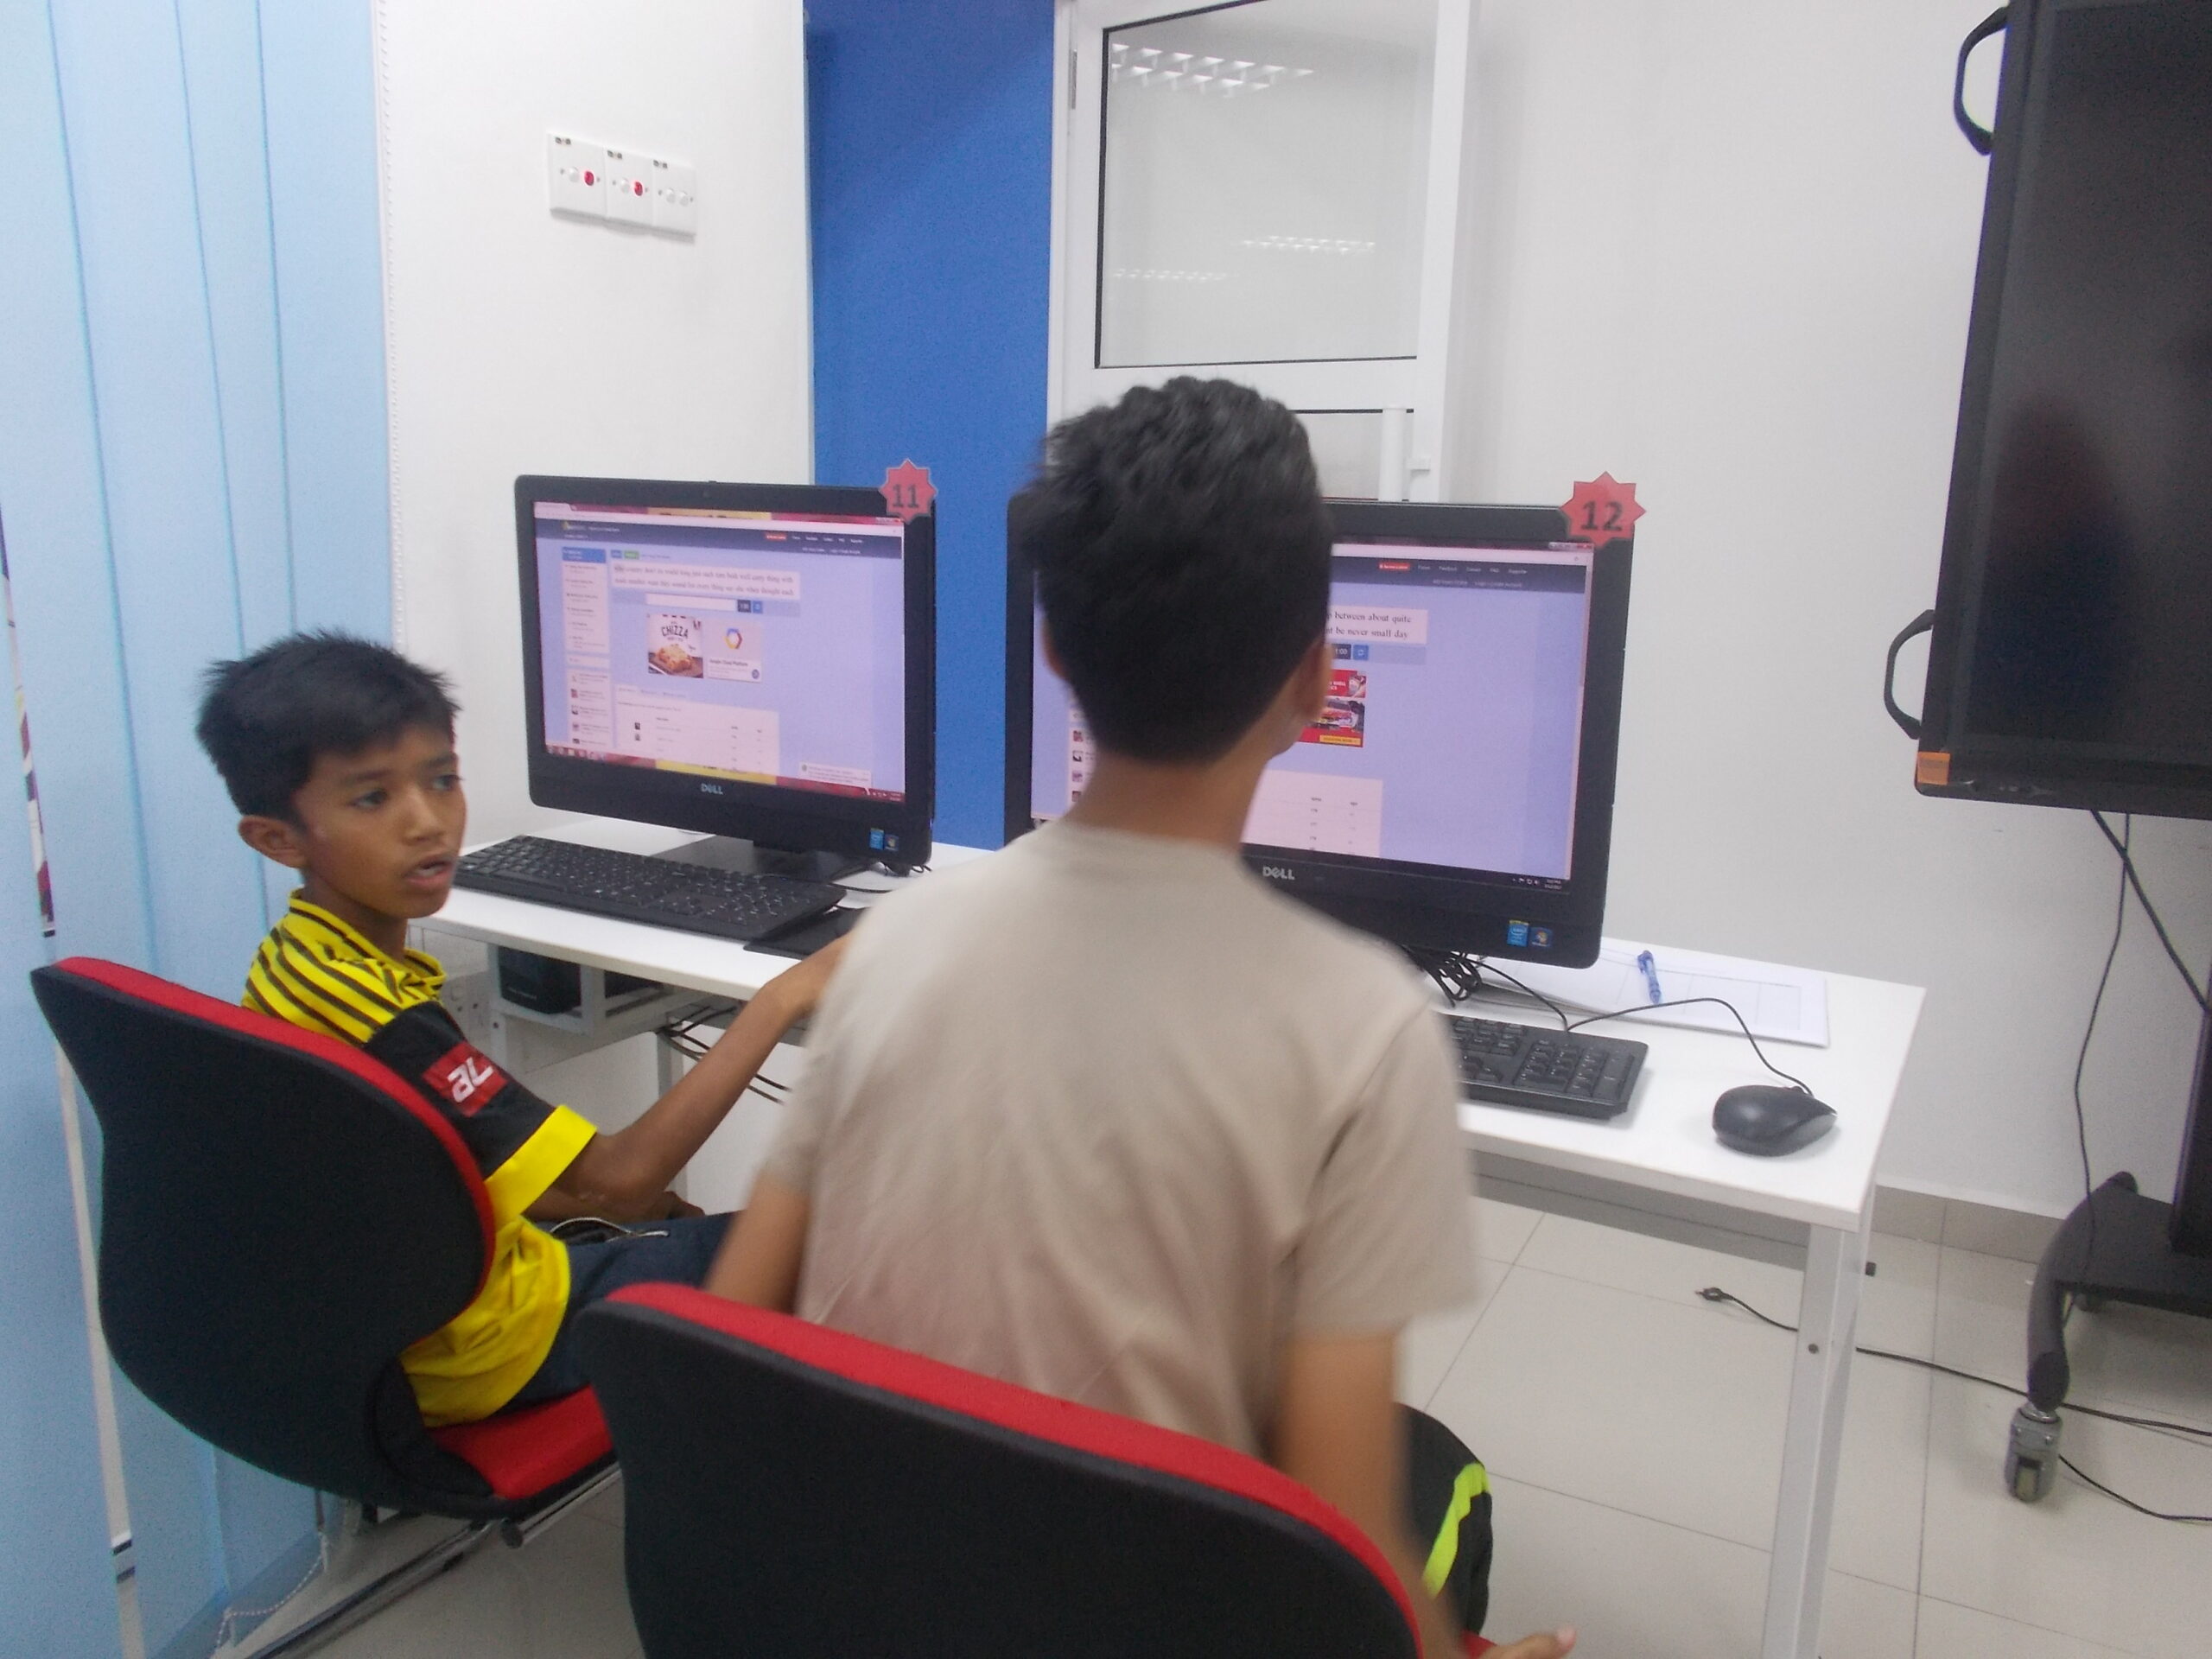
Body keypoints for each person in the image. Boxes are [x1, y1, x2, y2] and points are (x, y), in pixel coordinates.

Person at [707, 379, 1573, 1658]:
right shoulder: (1365, 1030)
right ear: (1316, 678)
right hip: (1138, 1614)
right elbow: (1343, 1523)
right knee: (1436, 1482)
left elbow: (736, 1328)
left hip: (860, 1595)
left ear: (1054, 647)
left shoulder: (892, 941)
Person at [197, 632, 842, 1427]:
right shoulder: (388, 1022)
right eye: (372, 799)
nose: (427, 823)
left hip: (395, 1314)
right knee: (824, 1244)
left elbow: (500, 1168)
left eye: (442, 780)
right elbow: (617, 1183)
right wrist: (781, 997)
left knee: (685, 1220)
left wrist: (621, 1209)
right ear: (276, 838)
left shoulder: (298, 964)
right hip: (491, 1338)